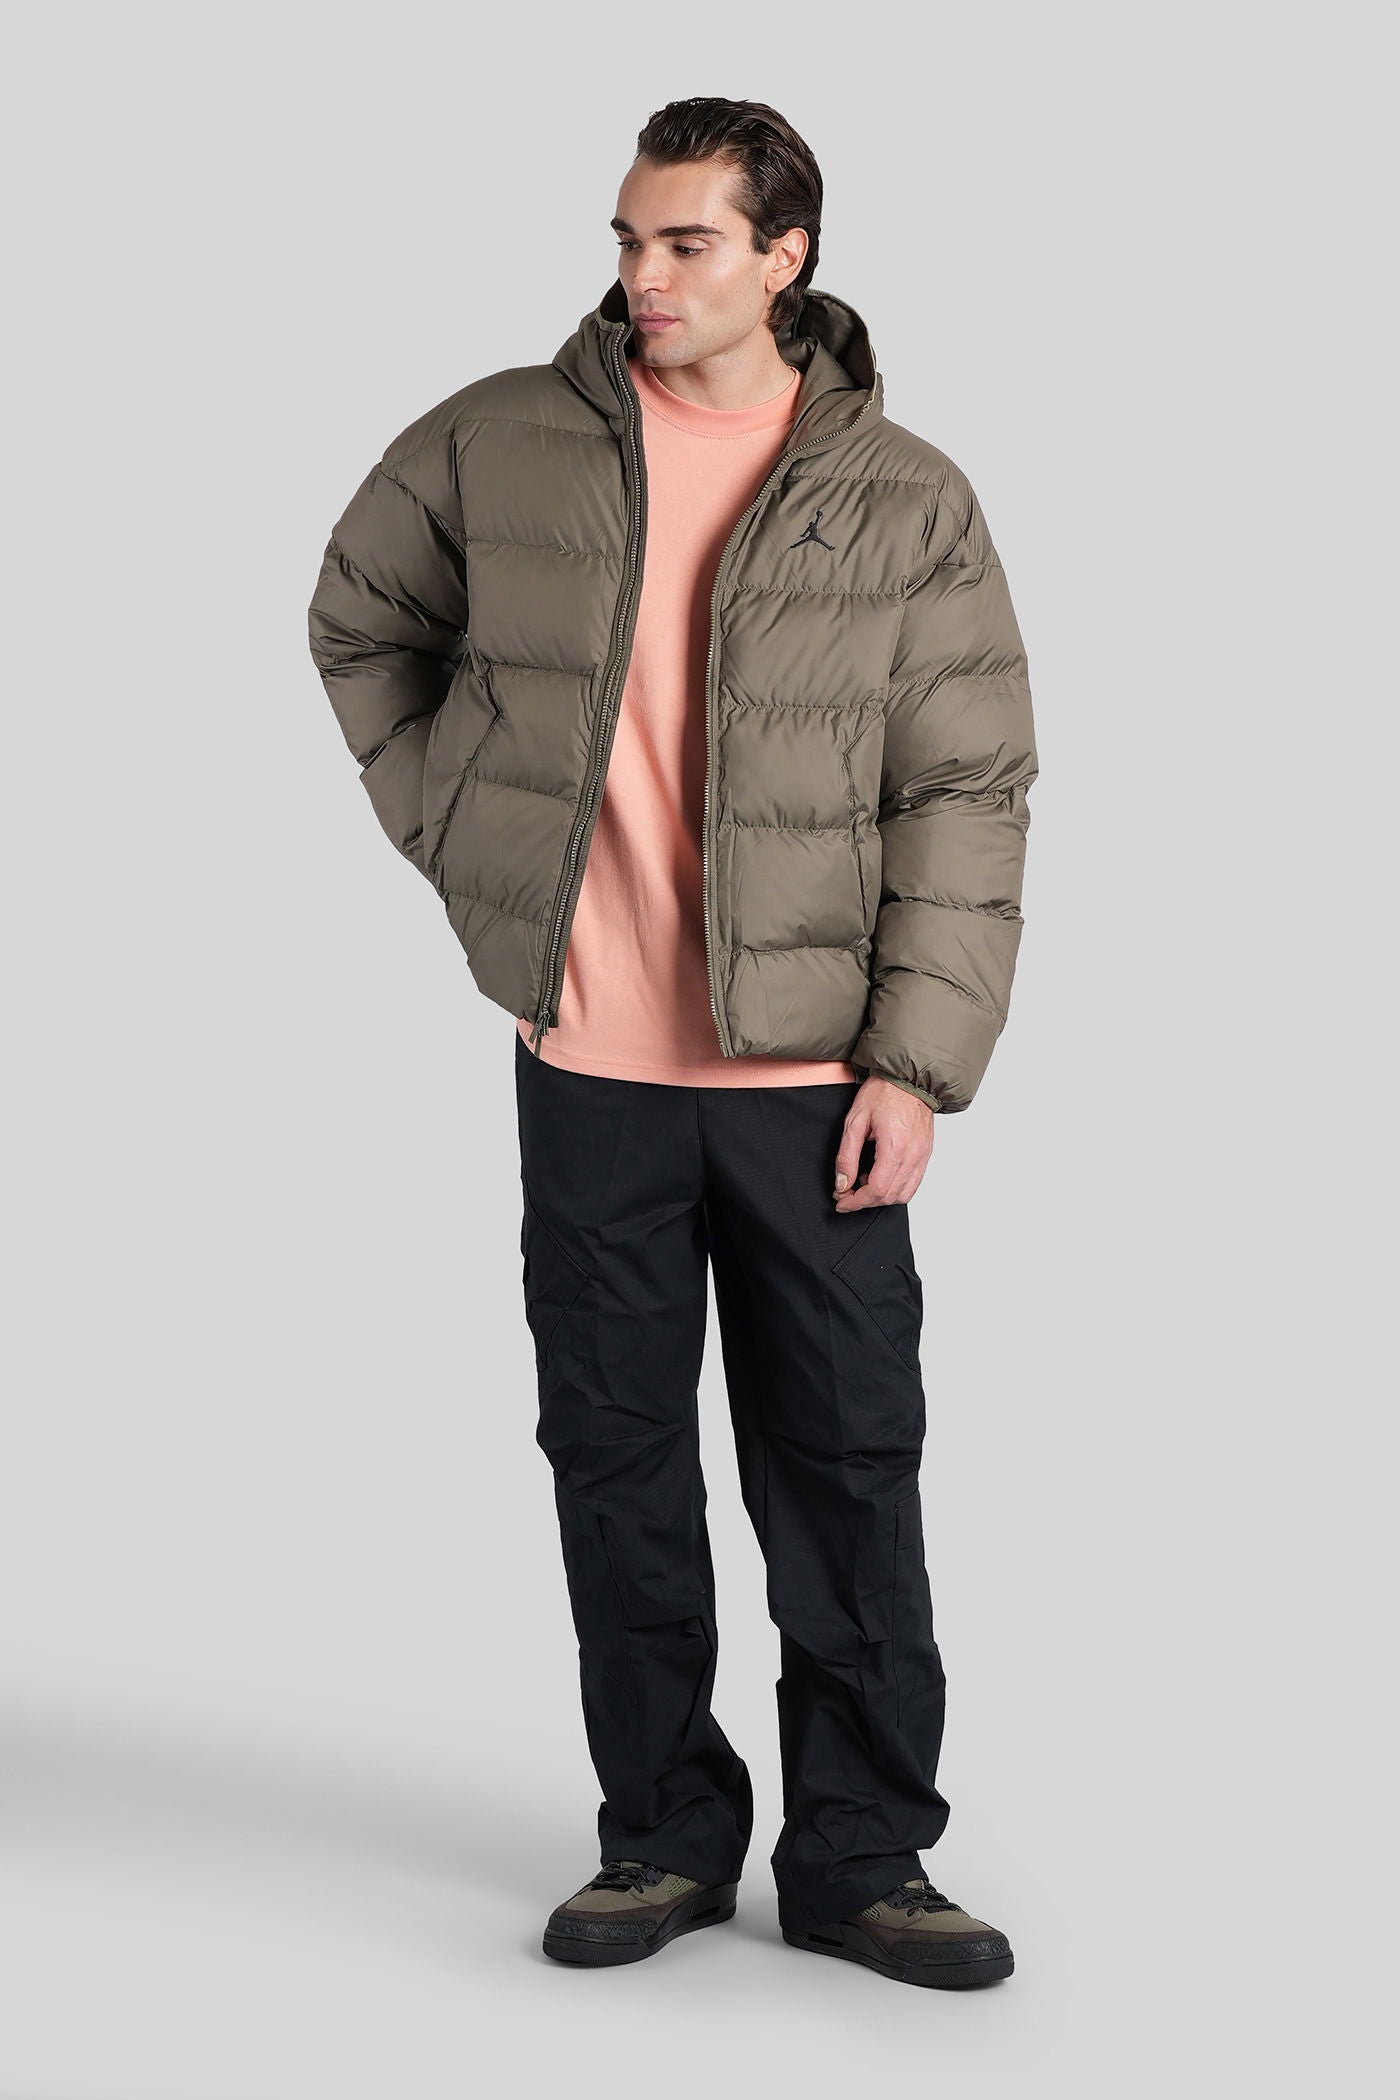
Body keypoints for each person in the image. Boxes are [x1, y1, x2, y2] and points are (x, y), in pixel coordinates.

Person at [308, 96, 1037, 1992]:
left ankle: (864, 1857)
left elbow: (966, 788)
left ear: (785, 256)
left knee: (846, 1467)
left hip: (814, 1086)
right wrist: (481, 854)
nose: (642, 274)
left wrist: (915, 1064)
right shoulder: (502, 440)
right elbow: (360, 620)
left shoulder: (904, 496)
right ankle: (659, 1835)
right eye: (629, 237)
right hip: (592, 1072)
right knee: (616, 1459)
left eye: (685, 243)